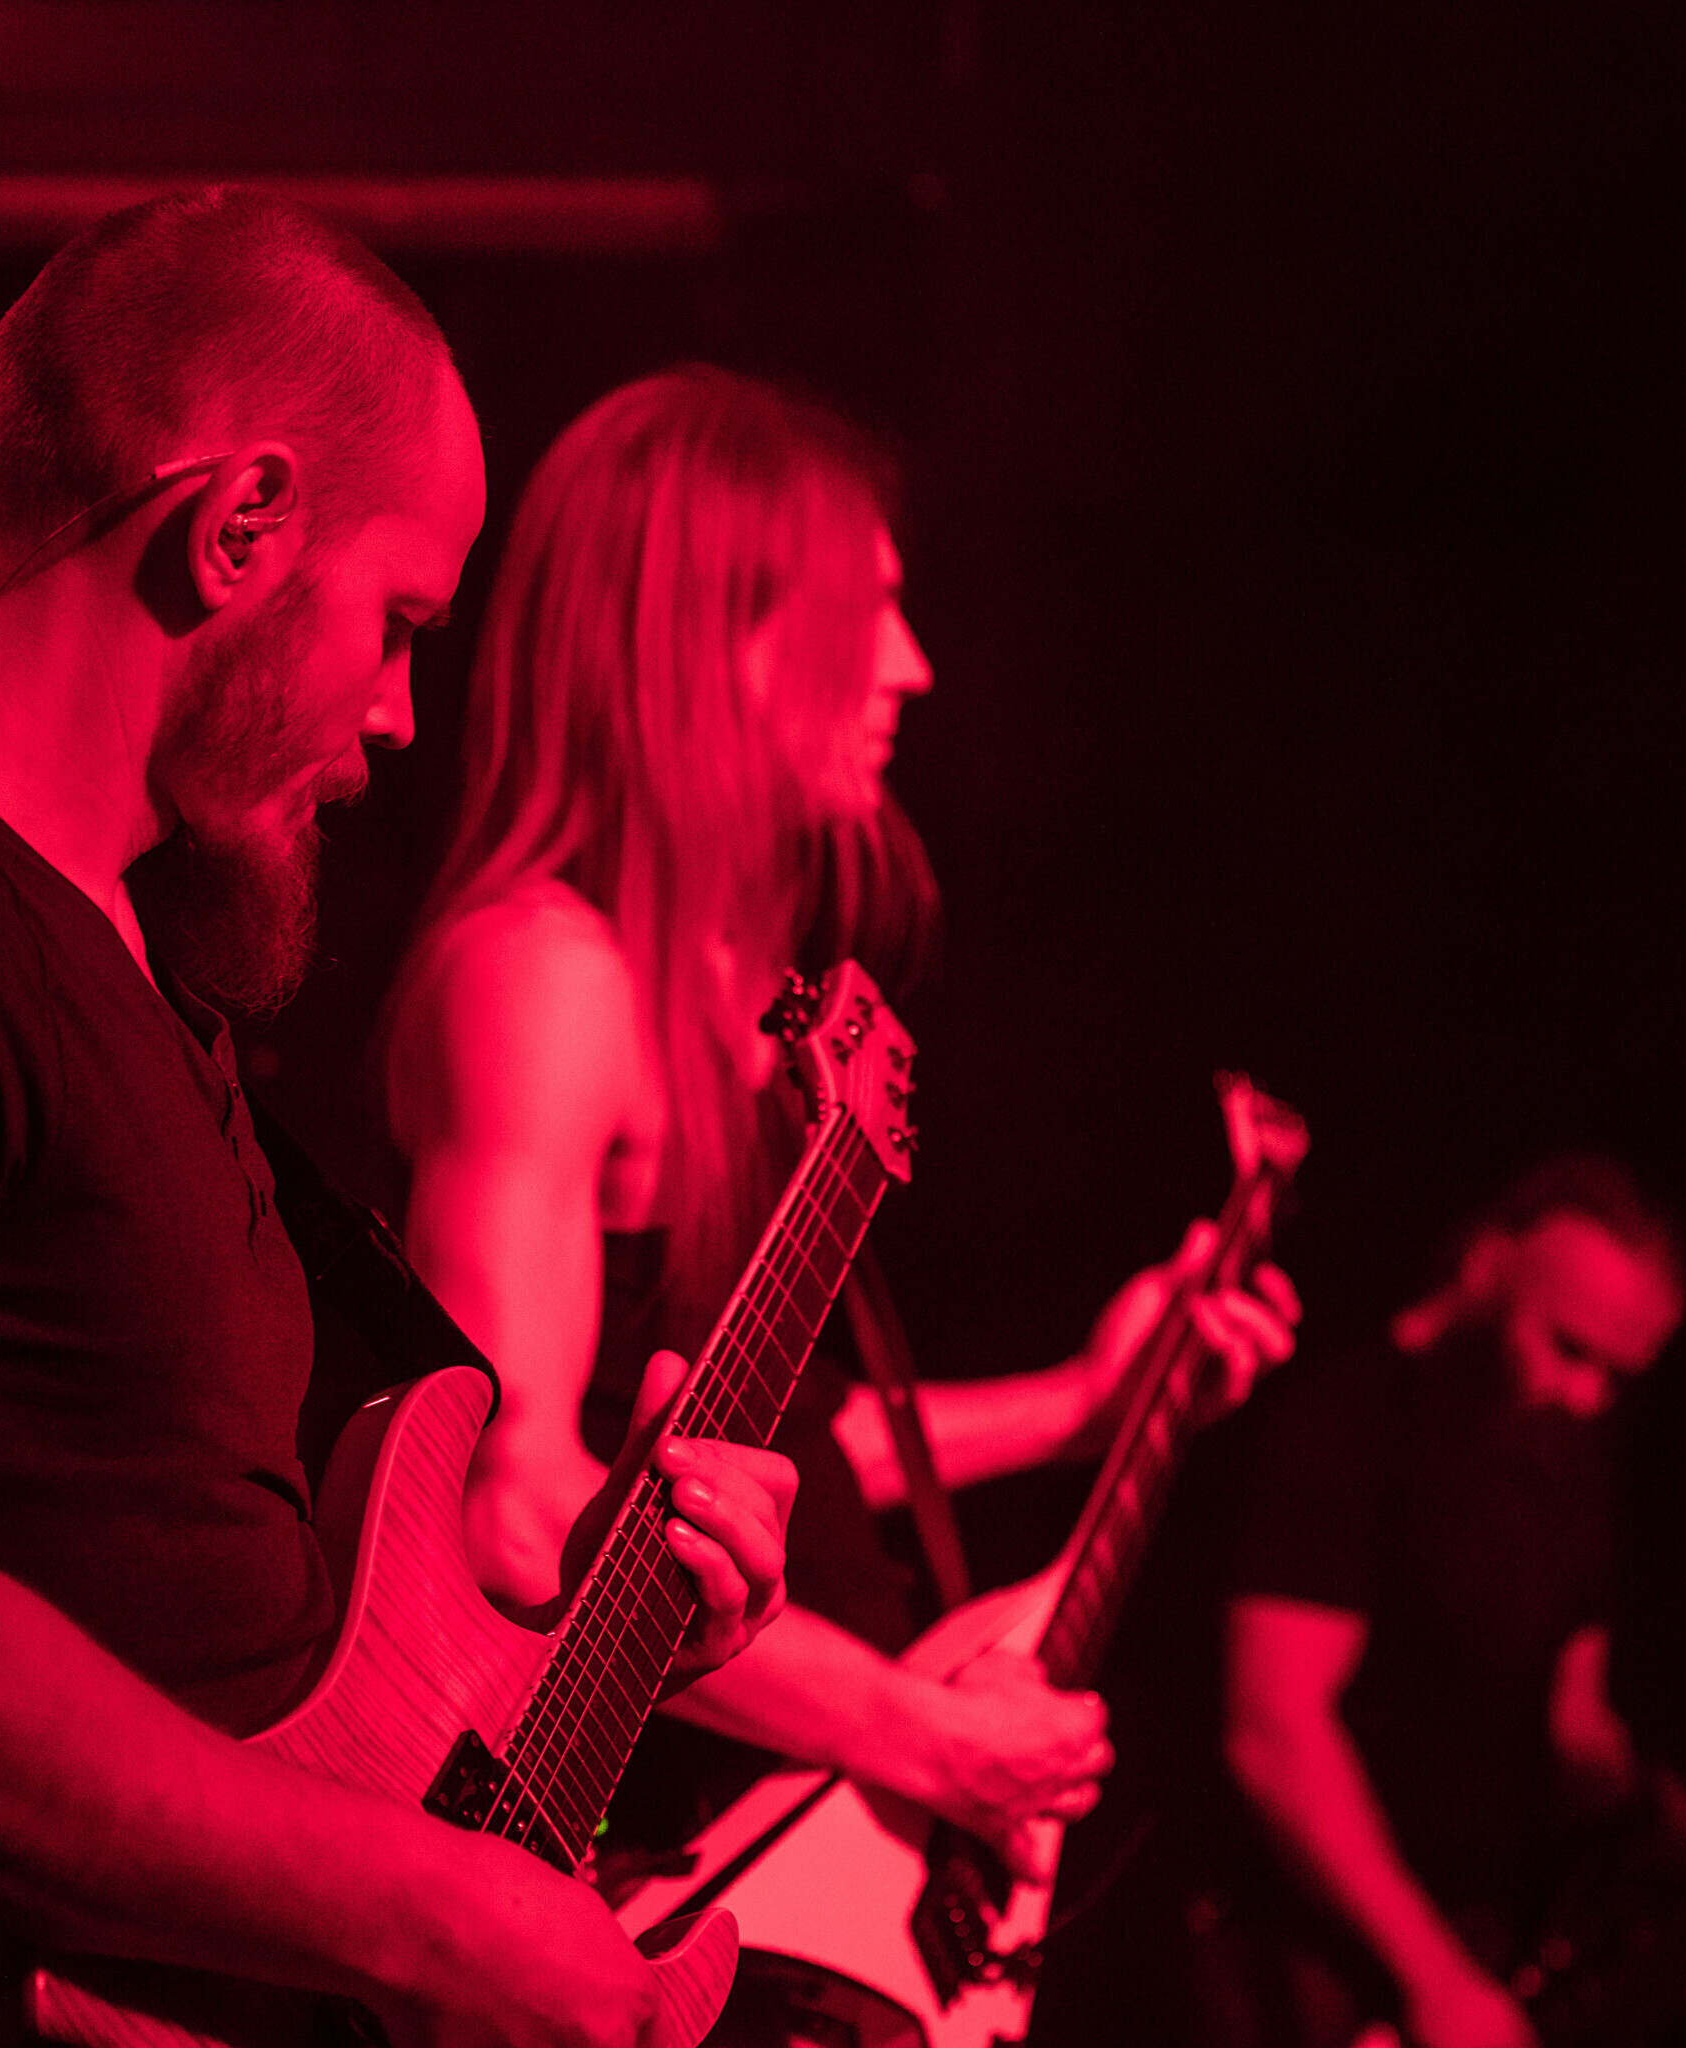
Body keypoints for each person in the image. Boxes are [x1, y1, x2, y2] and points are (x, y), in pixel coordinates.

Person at [0, 192, 796, 2045]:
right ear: (239, 527)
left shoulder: (133, 980)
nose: (401, 713)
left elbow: (226, 1659)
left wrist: (610, 1627)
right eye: (400, 623)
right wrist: (429, 1917)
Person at [380, 365, 1297, 1892]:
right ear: (717, 640)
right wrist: (925, 1735)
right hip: (657, 1864)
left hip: (793, 1850)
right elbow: (520, 1507)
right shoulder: (546, 977)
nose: (912, 667)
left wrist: (1080, 1404)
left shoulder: (737, 993)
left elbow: (764, 1463)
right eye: (862, 611)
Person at [1208, 1155, 1686, 2048]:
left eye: (1619, 1376)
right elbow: (1276, 1734)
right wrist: (1433, 1979)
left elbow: (1576, 1743)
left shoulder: (1561, 1461)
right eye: (1567, 1349)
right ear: (1487, 1267)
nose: (1588, 1397)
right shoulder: (1346, 1423)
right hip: (1309, 1966)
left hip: (1481, 1949)